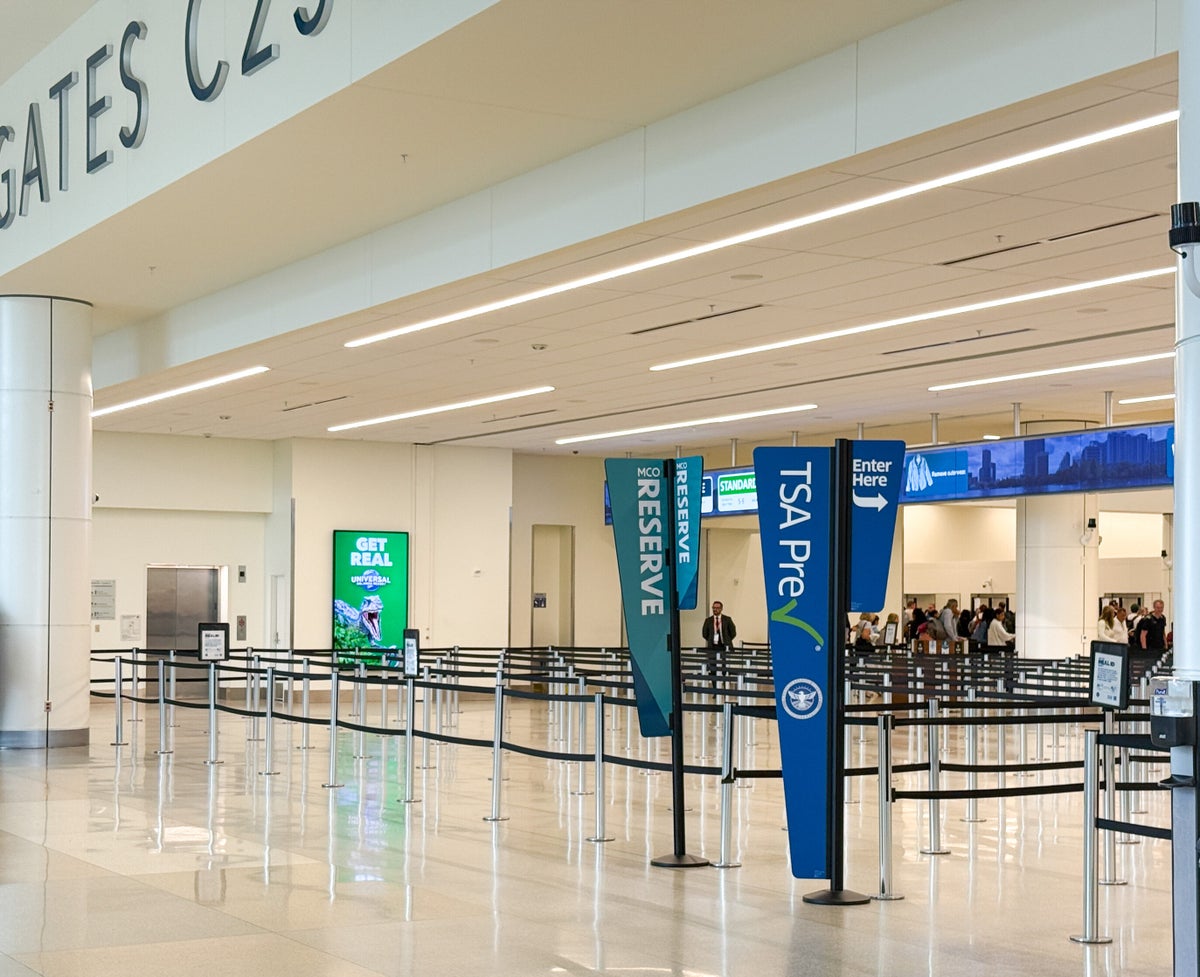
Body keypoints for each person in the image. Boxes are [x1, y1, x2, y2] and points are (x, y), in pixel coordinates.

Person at [701, 600, 737, 681]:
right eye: (713, 608)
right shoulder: (708, 620)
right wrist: (711, 640)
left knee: (724, 668)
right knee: (713, 668)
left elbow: (733, 633)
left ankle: (724, 687)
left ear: (721, 609)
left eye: (717, 608)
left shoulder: (727, 619)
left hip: (724, 647)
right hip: (713, 647)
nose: (715, 609)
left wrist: (727, 640)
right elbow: (704, 634)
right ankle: (715, 689)